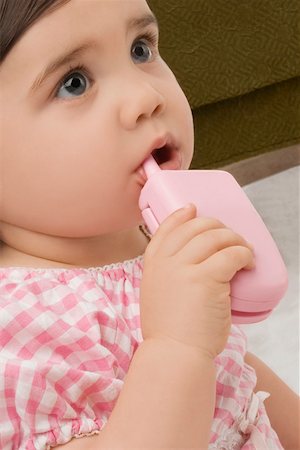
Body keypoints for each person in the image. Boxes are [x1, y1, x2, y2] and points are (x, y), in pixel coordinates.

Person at [0, 0, 299, 448]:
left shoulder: (153, 233)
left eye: (141, 49)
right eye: (74, 83)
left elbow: (235, 376)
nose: (146, 96)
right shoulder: (18, 331)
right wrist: (177, 347)